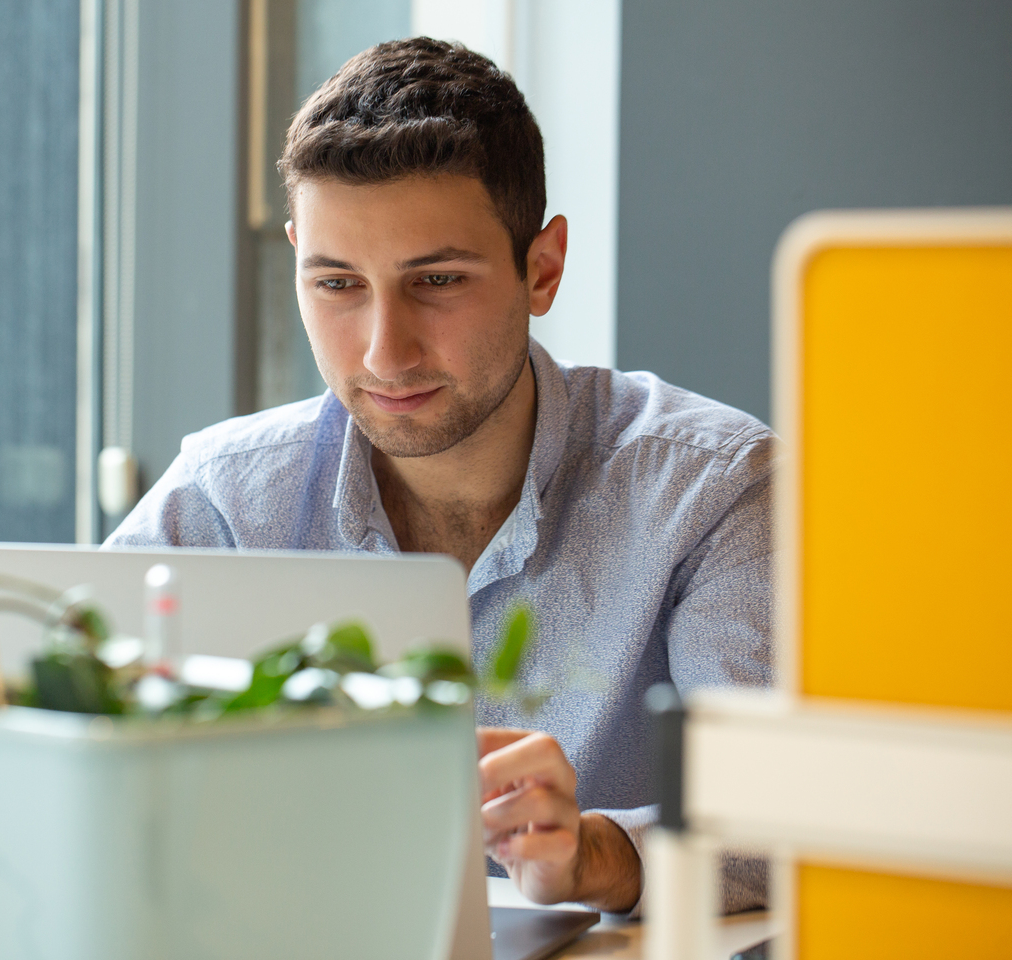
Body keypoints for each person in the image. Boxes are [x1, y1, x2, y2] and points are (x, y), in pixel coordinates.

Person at [107, 37, 772, 916]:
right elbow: (60, 758)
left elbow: (791, 824)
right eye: (338, 284)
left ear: (543, 269)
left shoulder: (711, 491)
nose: (385, 352)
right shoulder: (226, 502)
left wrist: (594, 857)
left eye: (438, 280)